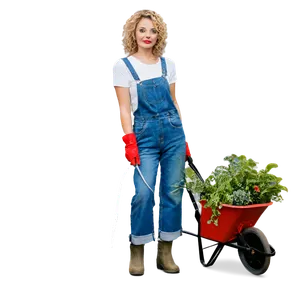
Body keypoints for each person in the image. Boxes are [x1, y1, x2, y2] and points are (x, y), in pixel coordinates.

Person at [112, 7, 194, 278]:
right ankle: (137, 248)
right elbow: (124, 109)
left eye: (153, 30)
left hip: (172, 133)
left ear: (159, 35)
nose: (148, 34)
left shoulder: (167, 65)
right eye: (142, 29)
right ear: (133, 32)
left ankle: (166, 248)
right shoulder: (122, 66)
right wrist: (128, 140)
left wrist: (183, 135)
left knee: (173, 192)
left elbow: (174, 102)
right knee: (144, 193)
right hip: (143, 135)